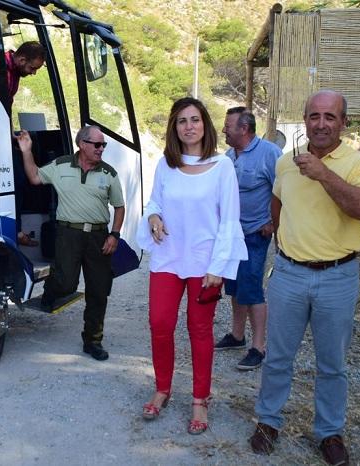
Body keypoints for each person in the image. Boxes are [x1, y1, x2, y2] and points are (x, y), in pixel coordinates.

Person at [249, 90, 360, 465]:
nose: (321, 124)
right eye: (314, 116)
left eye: (330, 117)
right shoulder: (287, 163)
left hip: (338, 276)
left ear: (343, 122)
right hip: (289, 273)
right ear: (304, 120)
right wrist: (282, 237)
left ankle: (329, 432)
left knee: (332, 364)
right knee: (277, 357)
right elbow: (277, 201)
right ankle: (268, 421)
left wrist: (323, 174)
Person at [136, 97, 247, 434]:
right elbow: (155, 200)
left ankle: (200, 398)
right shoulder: (166, 164)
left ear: (205, 125)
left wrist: (219, 266)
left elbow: (229, 219)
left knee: (200, 330)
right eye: (182, 121)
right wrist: (154, 215)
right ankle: (163, 387)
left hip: (204, 262)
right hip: (168, 257)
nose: (188, 126)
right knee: (159, 323)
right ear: (175, 127)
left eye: (194, 120)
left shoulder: (222, 166)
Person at [16, 125, 124, 361]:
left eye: (103, 145)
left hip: (98, 236)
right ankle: (50, 291)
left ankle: (93, 341)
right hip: (68, 235)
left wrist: (114, 235)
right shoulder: (61, 165)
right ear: (82, 144)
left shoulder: (109, 173)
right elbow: (34, 177)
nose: (101, 149)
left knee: (98, 290)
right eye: (97, 144)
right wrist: (26, 150)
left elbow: (119, 206)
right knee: (65, 284)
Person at [214, 107, 281, 370]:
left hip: (256, 234)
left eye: (228, 125)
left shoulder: (270, 154)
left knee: (252, 290)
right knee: (235, 287)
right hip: (231, 235)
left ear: (244, 128)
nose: (224, 130)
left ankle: (259, 347)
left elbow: (285, 191)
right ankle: (237, 336)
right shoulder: (228, 157)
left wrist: (273, 223)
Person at [5, 41, 47, 247]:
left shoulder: (13, 73)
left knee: (20, 178)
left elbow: (5, 107)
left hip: (1, 133)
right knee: (19, 179)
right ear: (21, 60)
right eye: (33, 68)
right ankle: (15, 231)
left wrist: (10, 133)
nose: (33, 73)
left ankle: (16, 229)